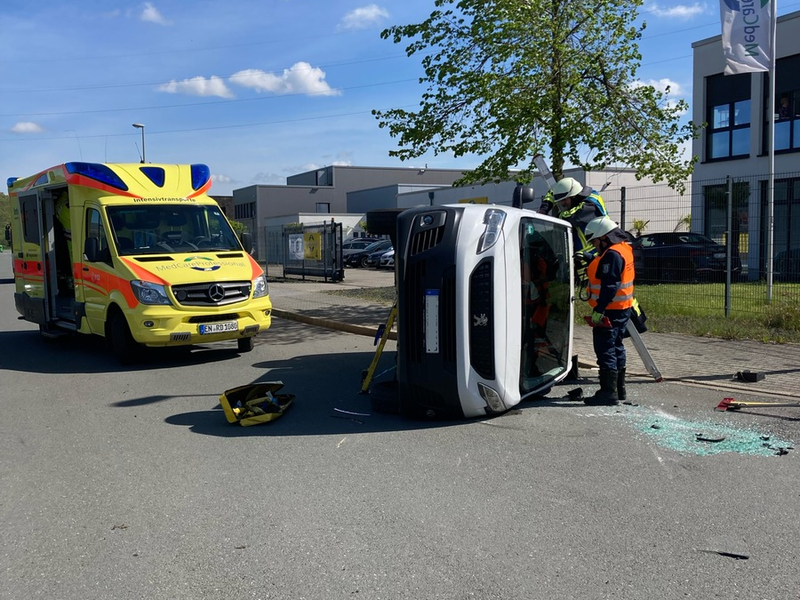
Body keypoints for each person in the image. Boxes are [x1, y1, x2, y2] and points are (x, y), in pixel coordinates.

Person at [582, 216, 635, 406]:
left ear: (604, 238)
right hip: (622, 309)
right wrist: (592, 259)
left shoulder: (612, 254)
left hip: (609, 310)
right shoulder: (623, 249)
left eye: (595, 242)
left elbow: (610, 284)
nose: (594, 246)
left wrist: (599, 309)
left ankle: (607, 393)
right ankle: (619, 390)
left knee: (605, 350)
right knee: (617, 346)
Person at [537, 177, 608, 272]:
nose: (562, 203)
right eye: (561, 200)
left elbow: (568, 216)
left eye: (565, 200)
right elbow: (552, 192)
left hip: (595, 256)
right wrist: (544, 208)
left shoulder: (590, 205)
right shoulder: (575, 195)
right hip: (580, 257)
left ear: (574, 196)